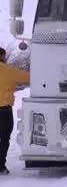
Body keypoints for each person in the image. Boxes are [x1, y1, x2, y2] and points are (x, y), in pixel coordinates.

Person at [0, 47, 30, 175]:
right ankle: (0, 166)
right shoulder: (7, 70)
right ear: (2, 56)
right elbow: (26, 77)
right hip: (3, 111)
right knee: (4, 138)